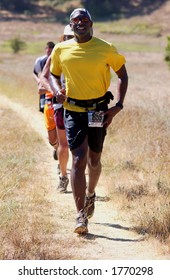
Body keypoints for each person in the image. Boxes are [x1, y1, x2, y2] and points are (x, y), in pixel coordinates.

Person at [49, 8, 128, 234]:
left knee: (94, 158)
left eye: (84, 19)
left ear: (91, 23)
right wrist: (57, 91)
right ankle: (80, 215)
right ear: (70, 25)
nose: (80, 22)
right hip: (73, 110)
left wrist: (118, 106)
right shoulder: (61, 49)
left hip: (97, 111)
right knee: (79, 158)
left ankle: (91, 194)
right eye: (76, 20)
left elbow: (123, 75)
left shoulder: (106, 48)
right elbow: (53, 75)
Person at [40, 25, 74, 193]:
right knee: (62, 144)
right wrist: (55, 91)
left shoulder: (87, 52)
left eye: (72, 36)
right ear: (63, 38)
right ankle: (63, 176)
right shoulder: (56, 53)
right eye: (67, 37)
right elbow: (44, 77)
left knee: (83, 145)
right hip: (60, 104)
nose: (70, 39)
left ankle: (79, 178)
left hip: (84, 104)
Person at [33, 41, 59, 161]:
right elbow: (36, 74)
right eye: (47, 49)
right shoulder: (41, 60)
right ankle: (54, 143)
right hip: (48, 99)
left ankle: (60, 152)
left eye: (51, 49)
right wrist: (40, 81)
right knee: (44, 112)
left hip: (62, 104)